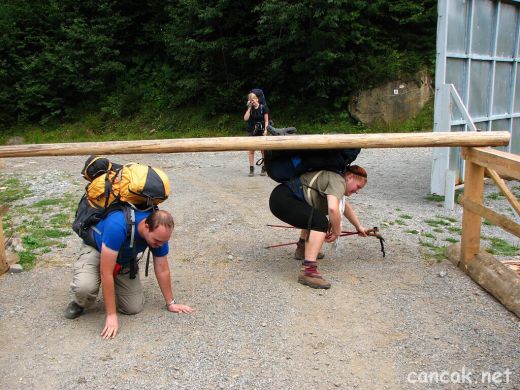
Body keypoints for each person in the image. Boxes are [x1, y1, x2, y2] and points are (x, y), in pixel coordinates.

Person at [64, 209, 192, 339]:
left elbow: (162, 269)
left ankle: (116, 285)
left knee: (133, 308)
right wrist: (111, 315)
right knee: (85, 287)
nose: (160, 245)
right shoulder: (117, 226)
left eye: (163, 242)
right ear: (146, 226)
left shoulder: (160, 235)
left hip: (123, 258)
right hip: (97, 249)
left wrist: (171, 303)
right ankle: (79, 303)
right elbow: (106, 272)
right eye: (157, 241)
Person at [269, 165, 369, 289]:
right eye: (358, 186)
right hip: (284, 200)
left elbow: (344, 207)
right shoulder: (338, 180)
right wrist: (337, 231)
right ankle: (308, 271)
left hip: (280, 197)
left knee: (313, 215)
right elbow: (333, 209)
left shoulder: (336, 180)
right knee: (320, 222)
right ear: (350, 177)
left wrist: (359, 226)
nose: (357, 191)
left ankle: (302, 248)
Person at [243, 91, 271, 177]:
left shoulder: (263, 108)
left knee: (263, 150)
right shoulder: (250, 110)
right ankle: (251, 169)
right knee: (251, 150)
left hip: (261, 131)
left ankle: (264, 168)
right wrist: (249, 108)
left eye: (253, 99)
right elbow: (245, 118)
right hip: (252, 131)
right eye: (250, 100)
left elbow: (266, 121)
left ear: (257, 99)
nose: (252, 101)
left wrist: (266, 131)